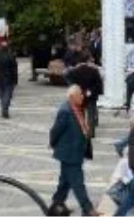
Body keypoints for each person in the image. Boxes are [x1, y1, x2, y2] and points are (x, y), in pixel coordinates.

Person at [48, 85, 98, 217]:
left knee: (65, 181)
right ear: (72, 97)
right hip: (69, 153)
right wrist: (53, 143)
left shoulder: (76, 108)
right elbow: (56, 130)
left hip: (75, 151)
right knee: (77, 182)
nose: (82, 96)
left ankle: (56, 206)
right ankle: (88, 210)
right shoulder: (65, 111)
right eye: (79, 95)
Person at [67, 51, 102, 137]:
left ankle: (81, 130)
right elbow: (98, 84)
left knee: (80, 113)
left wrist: (76, 89)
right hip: (91, 95)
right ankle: (91, 132)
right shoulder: (94, 70)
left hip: (78, 94)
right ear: (87, 60)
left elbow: (69, 78)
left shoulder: (74, 71)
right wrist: (90, 91)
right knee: (91, 114)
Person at [0, 37, 19, 119]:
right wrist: (15, 80)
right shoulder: (11, 56)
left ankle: (3, 110)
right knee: (7, 95)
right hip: (9, 78)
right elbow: (14, 69)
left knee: (2, 95)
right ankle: (5, 110)